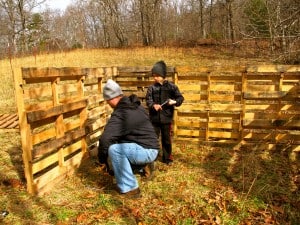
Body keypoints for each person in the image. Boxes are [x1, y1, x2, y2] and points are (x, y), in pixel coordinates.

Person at [98, 79, 159, 198]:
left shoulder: (121, 113)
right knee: (118, 143)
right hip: (150, 146)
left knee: (115, 150)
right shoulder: (135, 105)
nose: (108, 104)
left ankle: (130, 189)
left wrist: (102, 160)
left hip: (146, 150)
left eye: (107, 101)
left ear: (111, 99)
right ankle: (143, 166)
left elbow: (105, 139)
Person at [145, 60, 184, 165]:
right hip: (154, 119)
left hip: (166, 119)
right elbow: (148, 100)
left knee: (166, 139)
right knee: (153, 139)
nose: (155, 78)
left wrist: (174, 102)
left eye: (157, 75)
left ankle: (167, 158)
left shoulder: (172, 87)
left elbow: (180, 98)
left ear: (163, 76)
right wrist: (153, 105)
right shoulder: (151, 88)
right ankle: (152, 158)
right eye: (154, 76)